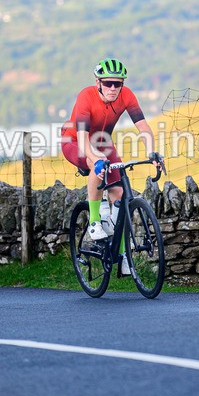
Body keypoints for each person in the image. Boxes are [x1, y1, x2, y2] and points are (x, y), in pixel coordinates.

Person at [61, 58, 162, 271]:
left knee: (120, 194)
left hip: (103, 142)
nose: (113, 88)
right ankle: (95, 222)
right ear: (98, 82)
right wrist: (96, 159)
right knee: (94, 162)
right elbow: (82, 139)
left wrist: (152, 152)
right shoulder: (86, 96)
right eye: (108, 83)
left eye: (118, 83)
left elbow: (143, 126)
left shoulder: (126, 96)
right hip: (75, 141)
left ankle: (123, 254)